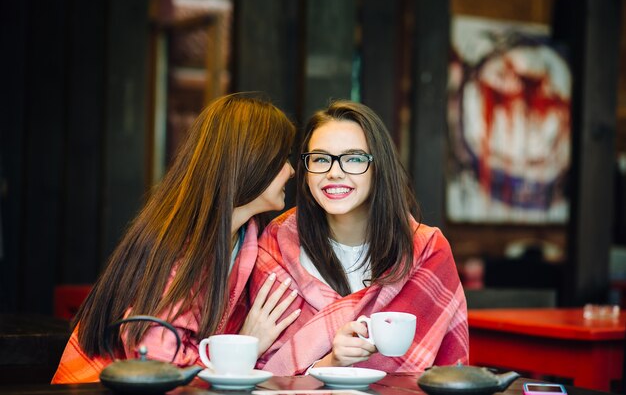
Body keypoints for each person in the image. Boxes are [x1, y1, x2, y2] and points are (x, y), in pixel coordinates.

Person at [52, 93, 301, 383]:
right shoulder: (182, 248)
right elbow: (159, 363)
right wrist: (245, 344)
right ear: (254, 160)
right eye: (283, 158)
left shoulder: (243, 236)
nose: (292, 170)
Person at [250, 100, 469, 375]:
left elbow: (452, 374)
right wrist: (330, 363)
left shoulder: (426, 251)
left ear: (379, 168)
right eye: (320, 159)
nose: (335, 172)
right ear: (305, 173)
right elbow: (260, 371)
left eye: (353, 158)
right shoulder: (277, 247)